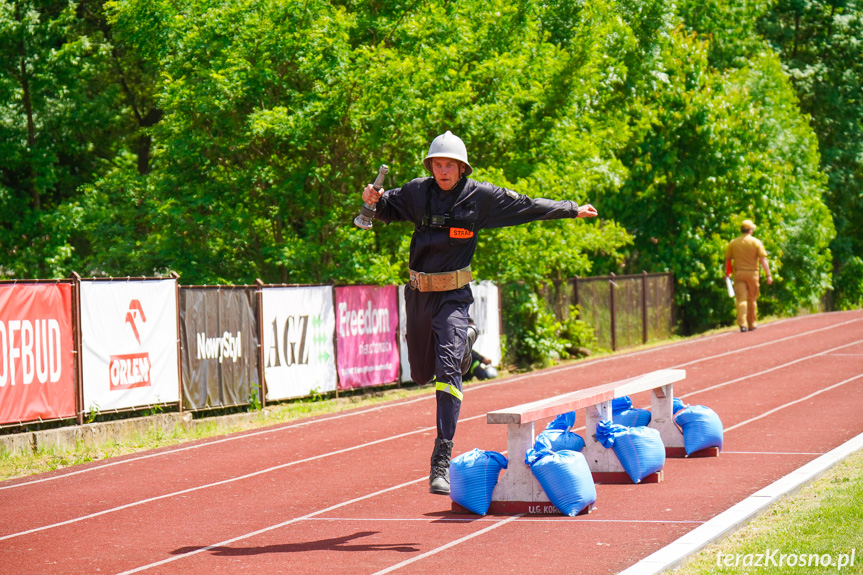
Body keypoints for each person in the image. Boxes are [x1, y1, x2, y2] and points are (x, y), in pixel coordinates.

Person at [361, 131, 598, 494]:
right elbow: (383, 209)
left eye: (449, 165)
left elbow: (526, 205)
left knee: (447, 372)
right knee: (422, 374)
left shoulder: (480, 197)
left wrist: (569, 209)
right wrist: (372, 200)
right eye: (437, 164)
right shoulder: (416, 192)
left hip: (454, 298)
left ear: (462, 168)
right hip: (419, 296)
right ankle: (466, 342)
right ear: (430, 167)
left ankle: (440, 461)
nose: (443, 170)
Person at [724, 219, 772, 332]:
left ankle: (742, 324)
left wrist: (727, 274)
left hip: (739, 273)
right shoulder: (756, 242)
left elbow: (727, 259)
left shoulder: (733, 242)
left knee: (741, 299)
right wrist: (768, 275)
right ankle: (752, 323)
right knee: (752, 299)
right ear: (750, 230)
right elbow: (763, 259)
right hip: (752, 274)